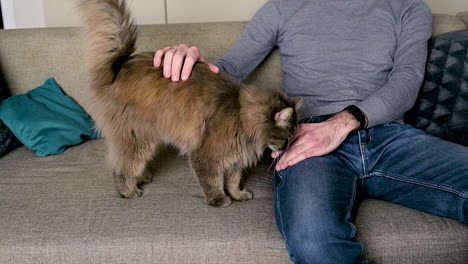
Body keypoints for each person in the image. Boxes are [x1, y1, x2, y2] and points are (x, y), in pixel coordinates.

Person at [153, 0, 468, 263]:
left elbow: (407, 80)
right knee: (314, 242)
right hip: (306, 140)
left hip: (389, 137)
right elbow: (230, 71)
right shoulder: (282, 6)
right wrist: (189, 64)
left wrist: (344, 122)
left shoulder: (409, 7)